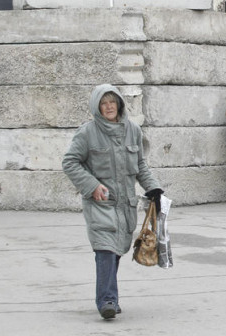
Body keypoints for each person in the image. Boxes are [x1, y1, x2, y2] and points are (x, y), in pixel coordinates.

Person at [62, 84, 163, 320]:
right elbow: (70, 162)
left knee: (116, 249)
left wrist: (154, 188)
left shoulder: (133, 131)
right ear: (97, 107)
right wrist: (92, 185)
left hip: (125, 204)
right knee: (105, 249)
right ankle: (107, 299)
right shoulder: (87, 133)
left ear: (119, 104)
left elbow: (140, 166)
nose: (109, 106)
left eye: (112, 102)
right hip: (100, 202)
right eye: (103, 103)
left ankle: (110, 297)